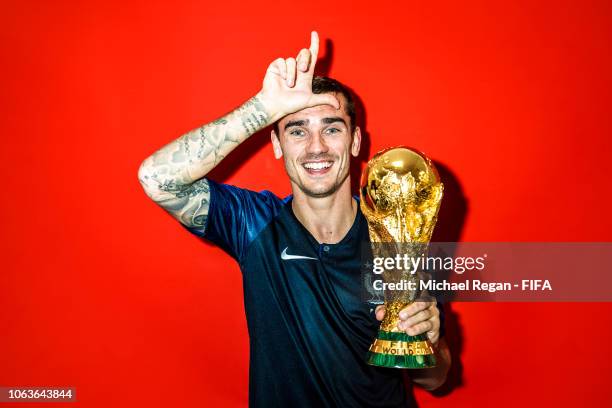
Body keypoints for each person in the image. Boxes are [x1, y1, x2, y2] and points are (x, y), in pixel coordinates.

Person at [138, 31, 451, 407]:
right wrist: (263, 107)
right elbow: (157, 178)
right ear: (276, 143)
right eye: (297, 130)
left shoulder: (398, 238)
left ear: (354, 141)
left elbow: (436, 378)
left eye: (331, 128)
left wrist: (428, 340)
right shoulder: (252, 224)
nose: (315, 147)